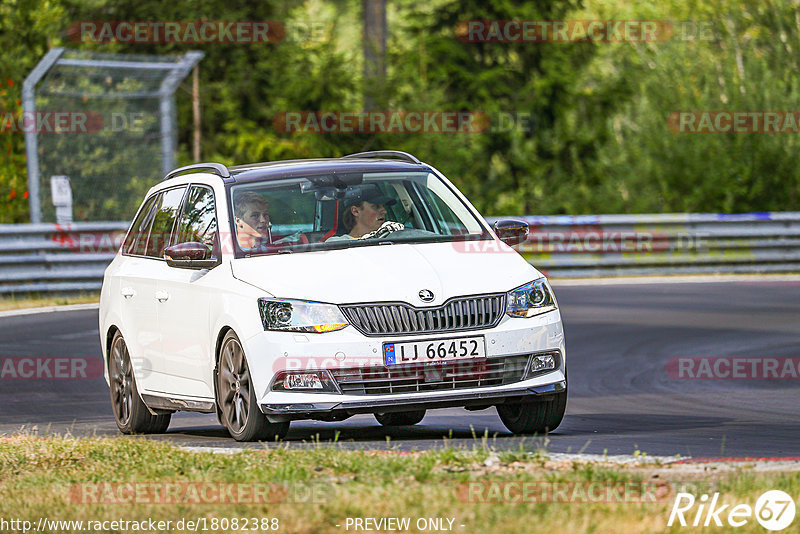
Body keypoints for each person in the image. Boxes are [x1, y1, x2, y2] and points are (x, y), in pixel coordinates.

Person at [327, 185, 403, 241]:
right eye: (375, 206)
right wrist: (373, 238)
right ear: (355, 211)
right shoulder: (336, 242)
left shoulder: (392, 239)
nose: (384, 211)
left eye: (383, 206)